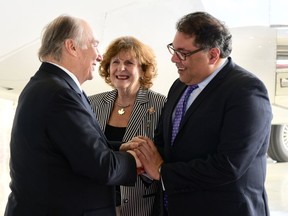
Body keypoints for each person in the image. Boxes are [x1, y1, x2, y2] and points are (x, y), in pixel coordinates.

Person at [130, 12, 272, 216]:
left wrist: (163, 172)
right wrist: (139, 154)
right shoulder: (180, 86)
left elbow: (229, 165)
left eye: (183, 53)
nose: (173, 58)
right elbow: (166, 144)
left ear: (213, 55)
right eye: (173, 49)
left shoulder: (246, 91)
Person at [4, 15, 142, 216]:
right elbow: (100, 165)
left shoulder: (49, 85)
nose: (100, 56)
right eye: (94, 45)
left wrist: (119, 148)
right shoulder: (59, 93)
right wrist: (136, 159)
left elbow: (72, 148)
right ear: (72, 47)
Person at [88, 36, 167, 216]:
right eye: (115, 62)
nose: (121, 68)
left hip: (140, 205)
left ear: (142, 69)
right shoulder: (92, 103)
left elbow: (166, 154)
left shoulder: (161, 105)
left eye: (129, 63)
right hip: (97, 203)